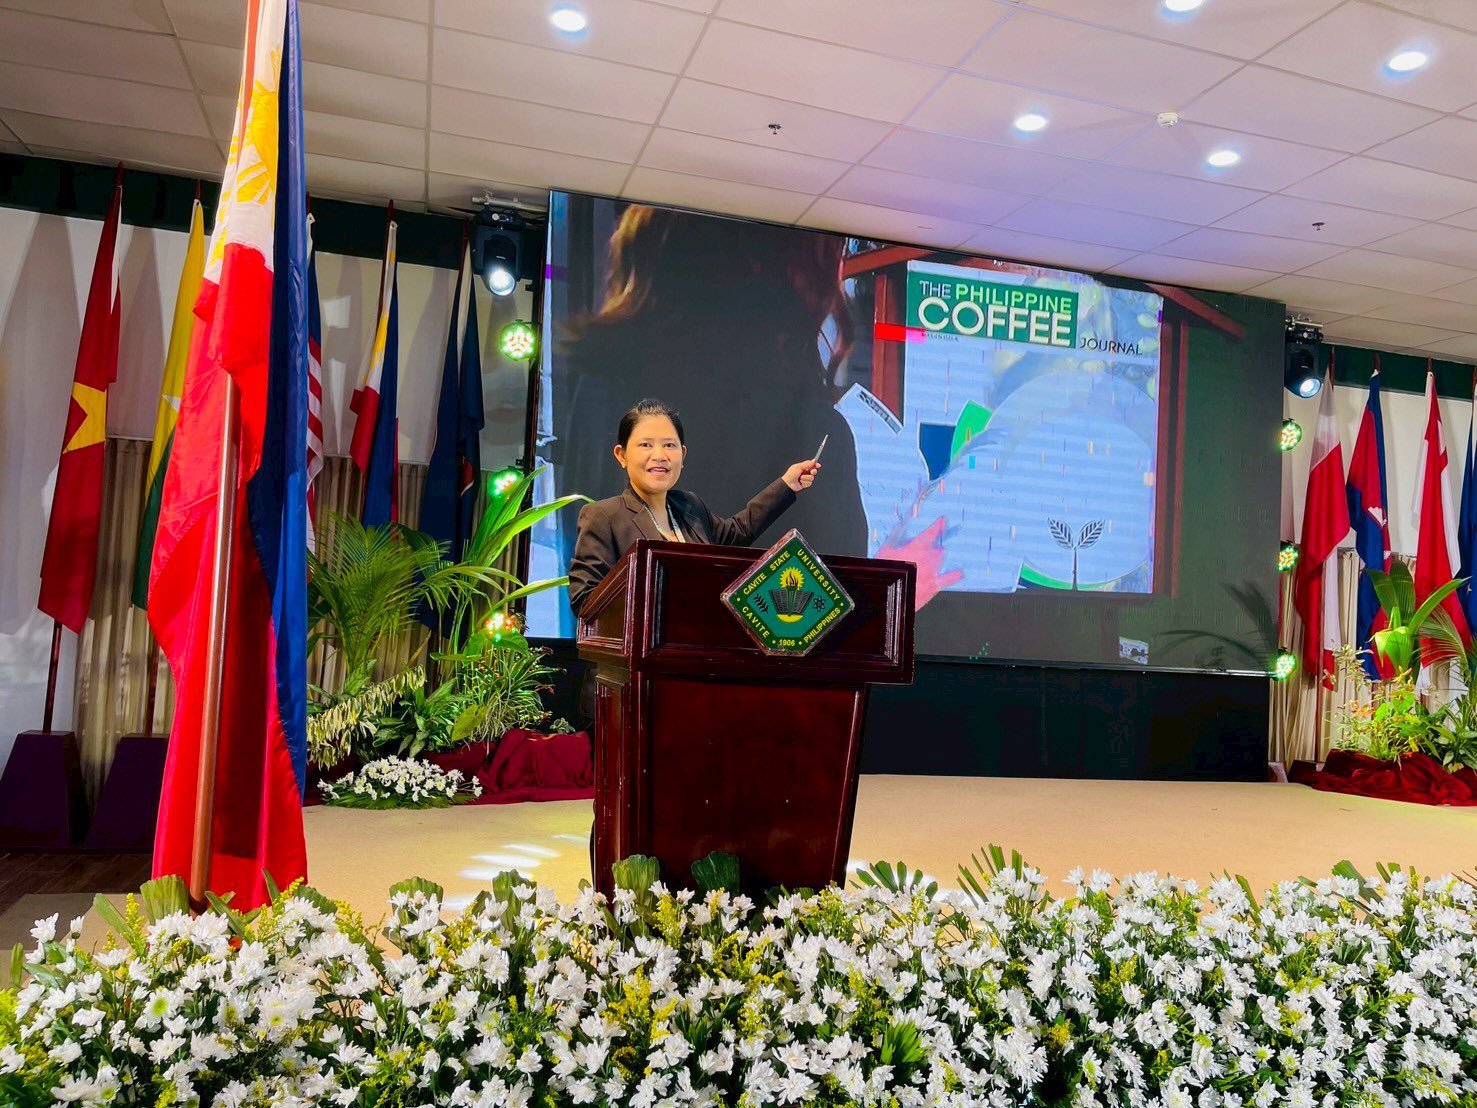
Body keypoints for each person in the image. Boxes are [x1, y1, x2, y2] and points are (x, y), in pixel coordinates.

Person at [567, 398, 820, 618]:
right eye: (646, 445)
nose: (660, 455)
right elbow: (585, 601)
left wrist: (787, 484)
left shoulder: (690, 507)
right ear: (621, 455)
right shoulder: (604, 516)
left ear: (683, 455)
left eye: (669, 445)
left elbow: (739, 531)